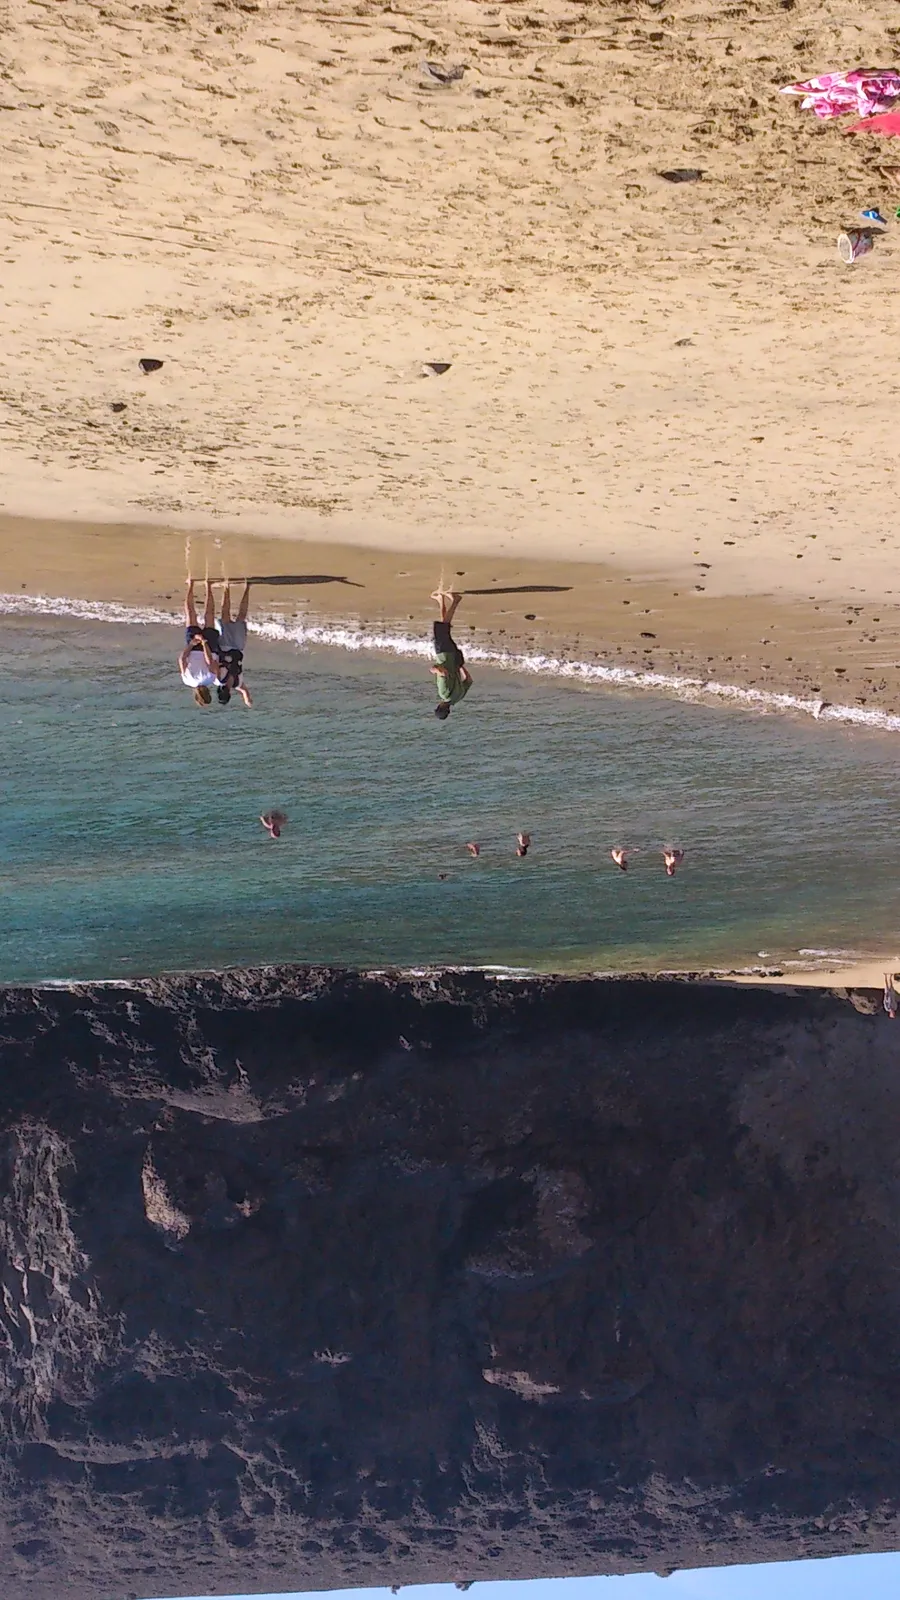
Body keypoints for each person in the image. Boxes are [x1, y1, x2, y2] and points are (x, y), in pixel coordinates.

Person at [430, 589, 472, 720]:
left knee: (444, 629)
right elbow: (442, 672)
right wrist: (433, 669)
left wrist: (460, 666)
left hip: (454, 657)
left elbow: (469, 680)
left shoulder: (457, 697)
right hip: (444, 655)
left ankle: (441, 601)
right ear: (439, 706)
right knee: (442, 629)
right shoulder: (444, 694)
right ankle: (455, 601)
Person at [179, 577, 221, 706]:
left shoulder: (212, 679)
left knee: (209, 615)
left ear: (208, 693)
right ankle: (190, 585)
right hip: (193, 647)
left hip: (209, 646)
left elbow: (210, 660)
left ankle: (208, 586)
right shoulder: (187, 680)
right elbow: (182, 659)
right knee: (191, 614)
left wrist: (204, 643)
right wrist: (192, 644)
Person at [217, 580, 253, 707]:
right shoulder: (237, 683)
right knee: (241, 617)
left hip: (226, 646)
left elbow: (213, 663)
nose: (226, 689)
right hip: (238, 648)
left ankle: (226, 588)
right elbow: (244, 691)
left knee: (225, 615)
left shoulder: (219, 679)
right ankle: (247, 588)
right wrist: (247, 700)